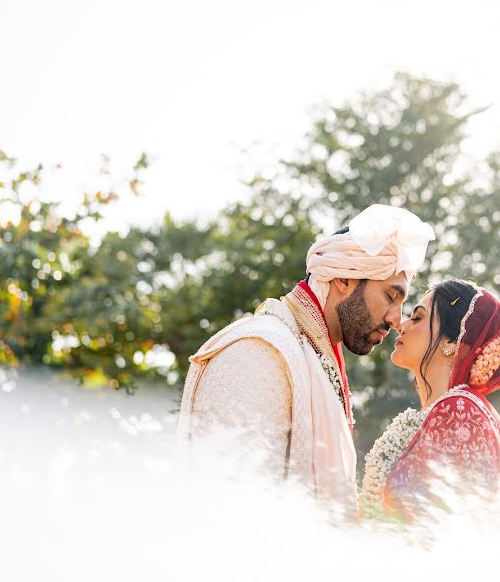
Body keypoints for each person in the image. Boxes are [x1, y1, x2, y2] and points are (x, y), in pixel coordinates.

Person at [177, 204, 434, 513]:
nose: (396, 319)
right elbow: (231, 506)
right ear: (344, 279)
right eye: (391, 297)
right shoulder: (259, 350)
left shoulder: (308, 352)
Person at [376, 279, 500, 520]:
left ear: (450, 343)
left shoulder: (458, 413)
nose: (401, 325)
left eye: (417, 318)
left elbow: (453, 525)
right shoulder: (447, 410)